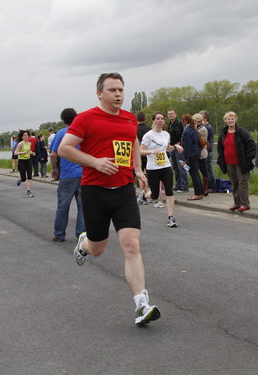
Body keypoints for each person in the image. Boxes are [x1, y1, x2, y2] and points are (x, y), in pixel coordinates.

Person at [58, 72, 160, 326]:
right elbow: (65, 148)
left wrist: (138, 170)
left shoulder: (129, 118)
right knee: (98, 248)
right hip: (95, 191)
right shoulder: (86, 119)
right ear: (100, 93)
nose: (118, 94)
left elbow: (134, 142)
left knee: (131, 244)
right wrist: (95, 162)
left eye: (121, 90)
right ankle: (84, 244)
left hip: (124, 190)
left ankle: (141, 304)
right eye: (112, 90)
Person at [140, 112, 182, 227]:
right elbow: (140, 150)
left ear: (164, 121)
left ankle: (171, 218)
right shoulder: (148, 135)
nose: (160, 120)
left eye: (162, 119)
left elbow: (168, 149)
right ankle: (143, 196)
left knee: (169, 192)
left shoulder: (166, 134)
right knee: (154, 195)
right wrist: (151, 151)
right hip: (153, 168)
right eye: (157, 118)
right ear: (153, 120)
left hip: (165, 166)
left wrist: (176, 147)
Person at [50, 108, 86, 242]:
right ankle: (81, 234)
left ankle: (59, 234)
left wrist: (54, 169)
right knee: (83, 207)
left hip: (67, 174)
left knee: (63, 206)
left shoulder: (61, 133)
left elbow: (53, 154)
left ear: (63, 120)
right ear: (76, 117)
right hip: (83, 173)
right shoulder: (83, 132)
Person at [217, 111, 256, 212]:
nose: (230, 120)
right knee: (234, 183)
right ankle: (236, 203)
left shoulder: (242, 132)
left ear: (235, 120)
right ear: (225, 121)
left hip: (241, 163)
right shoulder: (223, 133)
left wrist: (248, 158)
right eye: (228, 119)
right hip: (229, 163)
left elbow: (251, 145)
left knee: (242, 182)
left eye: (232, 118)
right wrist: (220, 160)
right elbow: (220, 147)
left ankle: (245, 204)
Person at [180, 114, 204, 200]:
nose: (181, 122)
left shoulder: (187, 131)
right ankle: (201, 192)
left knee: (194, 174)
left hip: (191, 155)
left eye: (182, 120)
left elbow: (187, 147)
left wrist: (185, 159)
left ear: (185, 121)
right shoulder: (194, 129)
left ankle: (197, 194)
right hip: (197, 154)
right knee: (196, 173)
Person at [168, 109, 189, 192]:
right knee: (175, 167)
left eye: (172, 114)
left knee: (181, 166)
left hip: (179, 147)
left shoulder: (180, 123)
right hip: (172, 147)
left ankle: (185, 186)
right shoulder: (170, 124)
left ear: (175, 114)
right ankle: (178, 185)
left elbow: (183, 135)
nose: (170, 115)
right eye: (169, 114)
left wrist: (180, 145)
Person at [136, 111, 151, 205]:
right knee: (148, 173)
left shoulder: (134, 129)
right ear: (145, 119)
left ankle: (143, 192)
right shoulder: (149, 129)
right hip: (147, 153)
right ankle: (149, 190)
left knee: (140, 174)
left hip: (138, 154)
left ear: (137, 119)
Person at [14, 130, 35, 197]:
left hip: (28, 160)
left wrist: (32, 153)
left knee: (29, 176)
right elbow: (15, 153)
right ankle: (20, 180)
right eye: (24, 135)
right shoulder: (20, 144)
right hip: (21, 161)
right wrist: (22, 153)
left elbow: (29, 151)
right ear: (22, 137)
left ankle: (29, 191)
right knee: (23, 178)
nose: (26, 136)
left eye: (27, 135)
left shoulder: (29, 143)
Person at [200, 110, 217, 193]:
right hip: (206, 150)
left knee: (208, 168)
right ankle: (208, 185)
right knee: (207, 168)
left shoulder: (207, 127)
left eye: (201, 116)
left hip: (208, 150)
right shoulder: (205, 127)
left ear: (205, 118)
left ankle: (212, 186)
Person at [194, 113, 210, 196]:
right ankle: (201, 188)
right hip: (198, 152)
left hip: (202, 152)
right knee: (199, 170)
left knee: (204, 170)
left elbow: (201, 142)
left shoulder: (202, 129)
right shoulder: (197, 128)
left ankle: (205, 189)